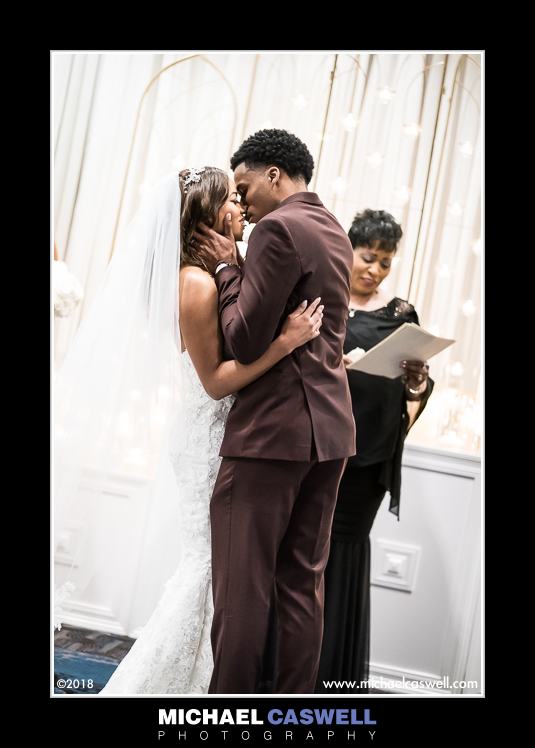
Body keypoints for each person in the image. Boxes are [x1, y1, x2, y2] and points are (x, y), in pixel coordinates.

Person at [54, 167, 323, 695]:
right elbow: (217, 381)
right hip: (208, 436)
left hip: (229, 435)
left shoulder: (217, 270)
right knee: (208, 565)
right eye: (232, 200)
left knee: (219, 568)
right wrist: (286, 344)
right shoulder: (194, 283)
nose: (242, 208)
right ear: (207, 215)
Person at [192, 129, 356, 694]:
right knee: (301, 586)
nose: (241, 205)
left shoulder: (279, 229)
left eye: (243, 188)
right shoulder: (332, 228)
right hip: (329, 434)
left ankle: (230, 713)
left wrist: (225, 268)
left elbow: (242, 337)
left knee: (242, 589)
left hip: (271, 434)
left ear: (273, 177)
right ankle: (292, 712)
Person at [315, 209, 434, 694]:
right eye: (369, 258)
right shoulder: (323, 300)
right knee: (310, 552)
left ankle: (333, 675)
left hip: (369, 457)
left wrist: (418, 382)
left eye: (386, 262)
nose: (376, 270)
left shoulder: (401, 313)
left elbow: (416, 387)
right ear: (349, 250)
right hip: (321, 448)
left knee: (345, 549)